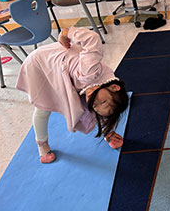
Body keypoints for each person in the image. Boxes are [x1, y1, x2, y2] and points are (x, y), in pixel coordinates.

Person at [16, 27, 129, 163]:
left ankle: (107, 132)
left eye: (94, 104)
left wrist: (106, 123)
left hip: (66, 71)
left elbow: (106, 109)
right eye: (102, 101)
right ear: (114, 87)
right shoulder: (90, 70)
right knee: (43, 109)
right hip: (44, 63)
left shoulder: (105, 90)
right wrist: (67, 32)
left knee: (106, 111)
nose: (93, 101)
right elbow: (92, 38)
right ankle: (42, 144)